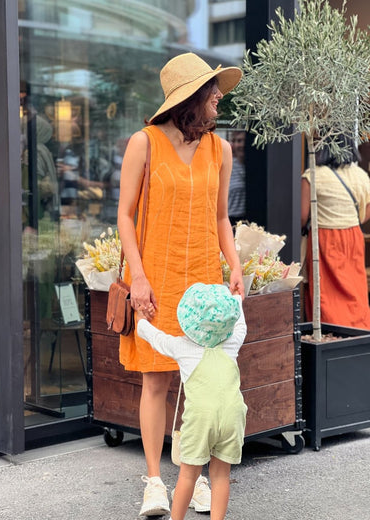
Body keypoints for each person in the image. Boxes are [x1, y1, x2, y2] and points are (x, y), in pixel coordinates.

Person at [117, 52, 245, 517]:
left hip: (204, 280)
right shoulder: (144, 143)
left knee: (201, 380)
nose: (218, 98)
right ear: (189, 99)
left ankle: (196, 475)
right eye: (211, 91)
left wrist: (233, 265)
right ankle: (154, 480)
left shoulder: (221, 149)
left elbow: (220, 219)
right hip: (157, 277)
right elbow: (125, 217)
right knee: (156, 380)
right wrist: (139, 279)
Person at [136, 283, 247, 520]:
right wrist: (237, 297)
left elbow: (156, 338)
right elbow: (240, 321)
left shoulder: (183, 347)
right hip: (232, 416)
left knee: (188, 475)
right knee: (221, 476)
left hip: (200, 419)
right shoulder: (233, 341)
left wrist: (140, 321)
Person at [301, 135, 370, 329]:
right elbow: (367, 209)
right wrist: (350, 220)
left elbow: (302, 216)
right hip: (353, 236)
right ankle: (359, 331)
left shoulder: (314, 174)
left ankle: (329, 333)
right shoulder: (360, 175)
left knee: (326, 292)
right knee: (354, 289)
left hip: (325, 237)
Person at [228, 130, 246, 226]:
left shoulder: (257, 168)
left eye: (244, 141)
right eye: (238, 141)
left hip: (253, 221)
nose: (242, 145)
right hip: (232, 221)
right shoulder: (228, 166)